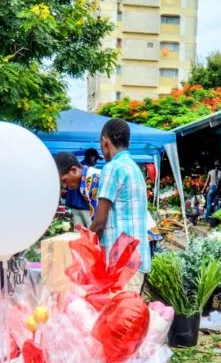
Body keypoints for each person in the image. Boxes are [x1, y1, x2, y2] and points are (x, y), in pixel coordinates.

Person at [90, 118, 150, 293]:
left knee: (118, 318)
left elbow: (99, 222)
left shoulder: (112, 168)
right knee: (129, 317)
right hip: (137, 259)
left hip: (121, 262)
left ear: (105, 141)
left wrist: (82, 246)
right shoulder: (134, 168)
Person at [54, 152, 100, 230]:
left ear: (74, 170)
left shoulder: (94, 179)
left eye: (64, 180)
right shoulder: (83, 184)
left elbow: (99, 224)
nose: (64, 186)